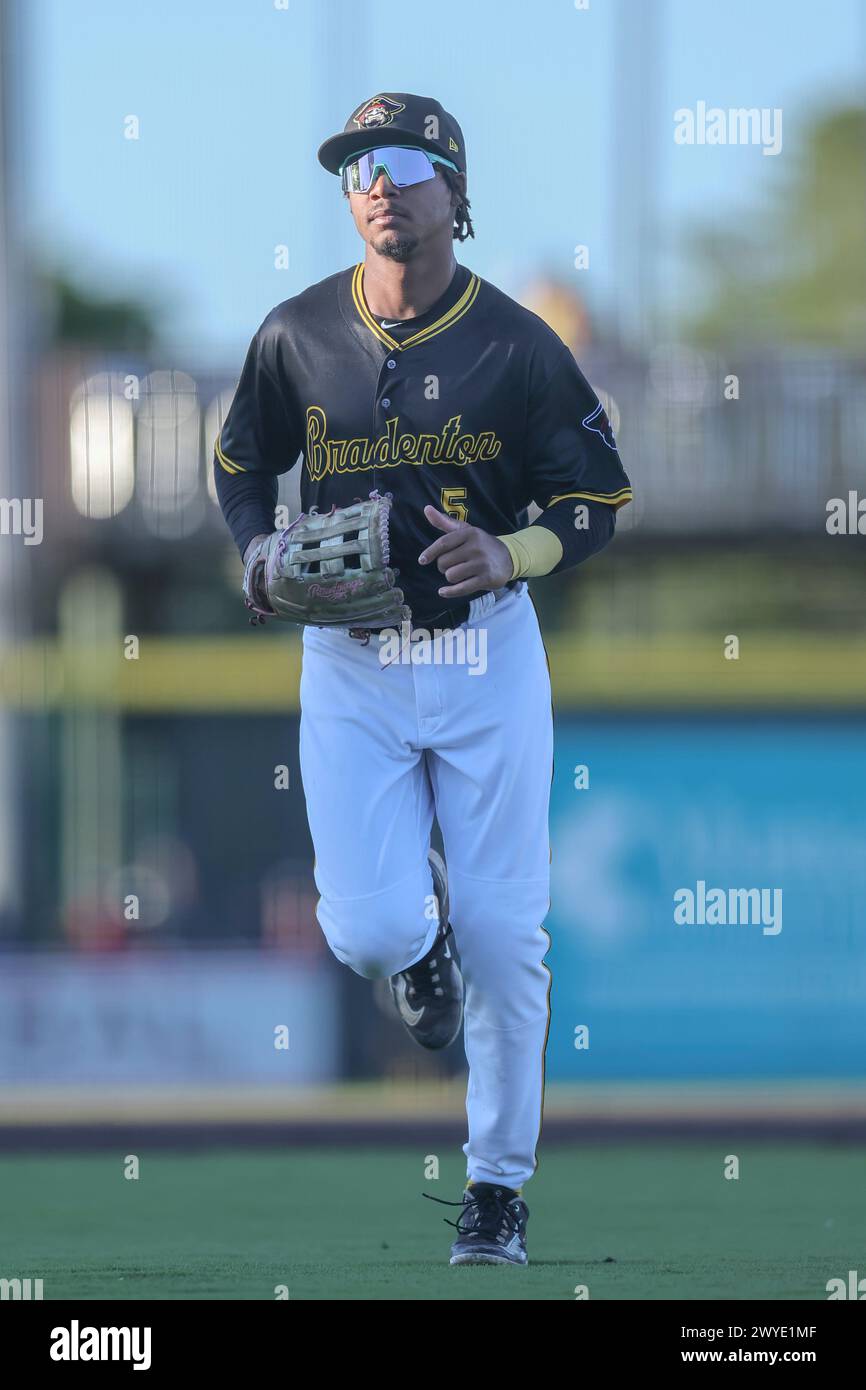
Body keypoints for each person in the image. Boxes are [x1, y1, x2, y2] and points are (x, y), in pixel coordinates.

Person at [214, 92, 632, 1266]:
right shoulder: (295, 333)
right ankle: (416, 947)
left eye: (399, 162)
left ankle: (495, 1185)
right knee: (365, 930)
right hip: (348, 660)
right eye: (355, 167)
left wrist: (514, 547)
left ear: (454, 188)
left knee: (508, 935)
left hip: (484, 648)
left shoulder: (514, 341)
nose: (374, 184)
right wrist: (253, 545)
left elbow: (599, 496)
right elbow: (241, 459)